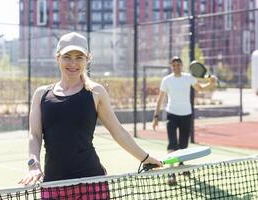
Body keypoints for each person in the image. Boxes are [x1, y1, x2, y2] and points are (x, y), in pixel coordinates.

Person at [19, 32, 162, 198]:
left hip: (92, 183)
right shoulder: (41, 94)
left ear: (88, 59)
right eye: (67, 56)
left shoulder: (96, 92)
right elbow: (34, 135)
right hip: (53, 185)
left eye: (79, 57)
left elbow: (118, 131)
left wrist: (144, 158)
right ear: (57, 57)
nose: (73, 63)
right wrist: (33, 165)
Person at [152, 56, 216, 185]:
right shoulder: (166, 80)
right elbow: (160, 99)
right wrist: (156, 117)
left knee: (183, 145)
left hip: (186, 115)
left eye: (178, 64)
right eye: (174, 64)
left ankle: (181, 165)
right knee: (172, 144)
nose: (176, 67)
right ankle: (171, 173)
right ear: (171, 66)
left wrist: (211, 82)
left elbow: (200, 88)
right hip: (172, 115)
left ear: (181, 66)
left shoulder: (188, 78)